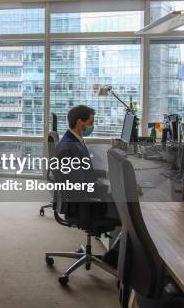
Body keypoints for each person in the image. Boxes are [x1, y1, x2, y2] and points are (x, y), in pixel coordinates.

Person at [56, 105, 120, 266]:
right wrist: (109, 189)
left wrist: (106, 174)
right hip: (81, 205)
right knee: (131, 214)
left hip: (83, 199)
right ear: (79, 123)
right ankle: (114, 258)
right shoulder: (69, 149)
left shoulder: (75, 141)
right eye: (90, 122)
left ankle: (115, 255)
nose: (92, 126)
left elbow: (86, 172)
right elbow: (79, 185)